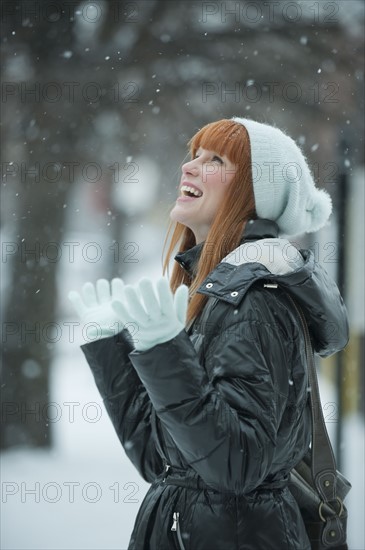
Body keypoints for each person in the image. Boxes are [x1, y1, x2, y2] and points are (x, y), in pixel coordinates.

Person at [68, 117, 349, 550]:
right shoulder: (214, 291)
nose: (190, 167)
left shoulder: (255, 301)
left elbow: (236, 465)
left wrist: (164, 352)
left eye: (215, 159)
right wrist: (111, 347)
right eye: (193, 155)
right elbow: (160, 458)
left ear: (254, 192)